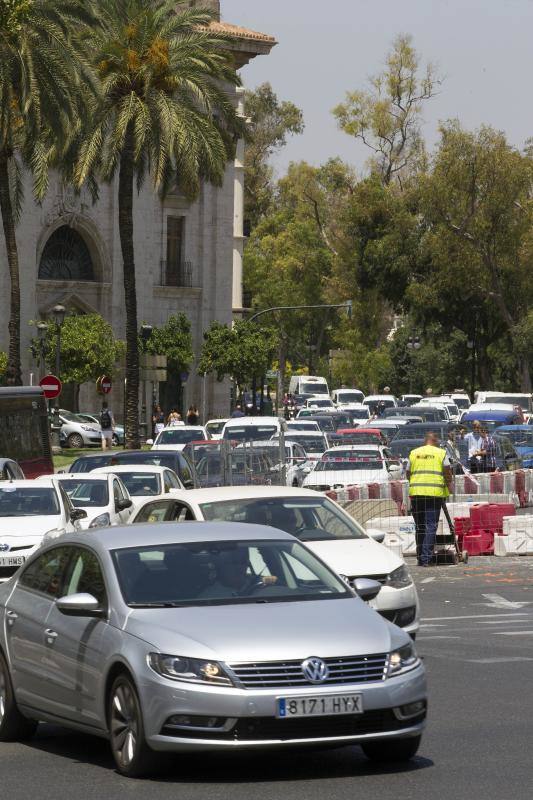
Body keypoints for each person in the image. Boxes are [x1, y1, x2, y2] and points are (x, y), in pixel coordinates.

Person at [407, 432, 453, 566]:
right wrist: (448, 485)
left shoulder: (414, 453)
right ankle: (426, 558)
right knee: (430, 526)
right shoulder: (440, 453)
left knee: (419, 526)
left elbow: (408, 472)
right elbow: (447, 471)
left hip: (416, 493)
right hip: (434, 493)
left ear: (425, 441)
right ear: (435, 441)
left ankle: (420, 557)